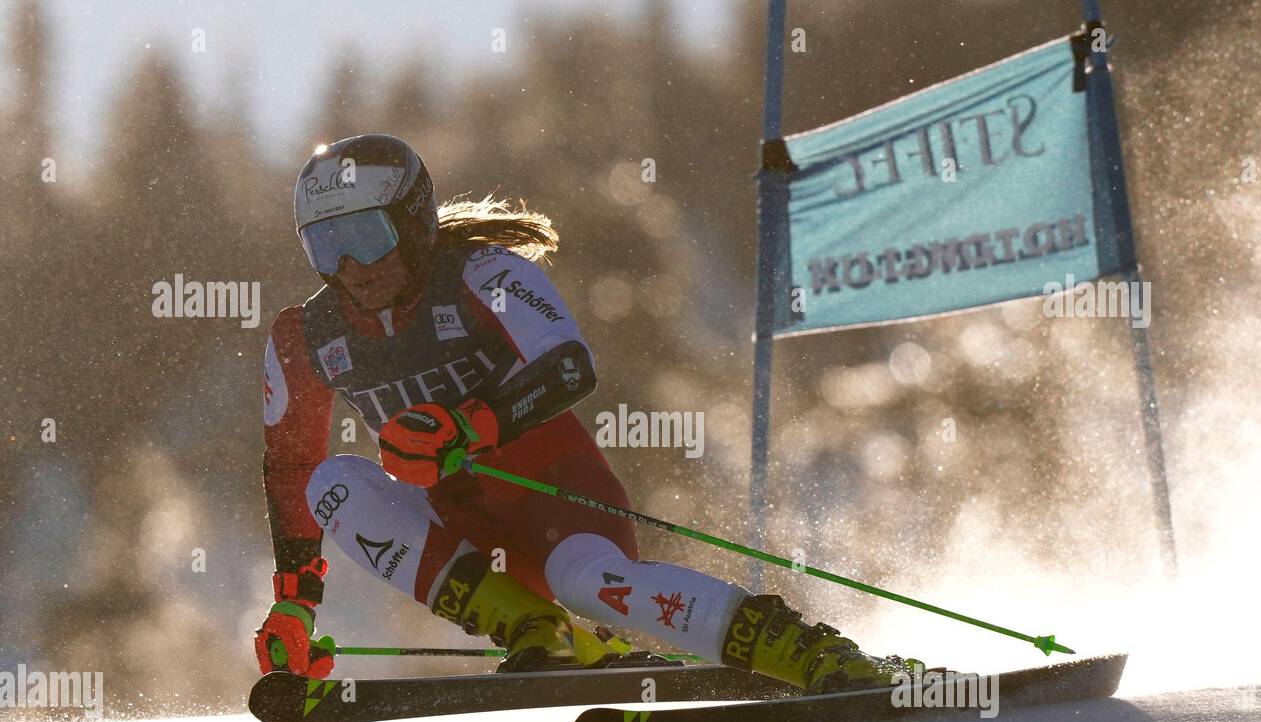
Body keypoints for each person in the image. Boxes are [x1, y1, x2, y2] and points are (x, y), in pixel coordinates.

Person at [255, 133, 915, 691]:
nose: (351, 267)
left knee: (591, 584)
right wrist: (295, 602)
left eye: (367, 237)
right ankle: (534, 631)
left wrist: (470, 425)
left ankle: (810, 652)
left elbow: (569, 364)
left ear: (412, 221)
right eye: (325, 246)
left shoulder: (483, 274)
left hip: (555, 497)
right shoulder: (306, 335)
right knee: (332, 483)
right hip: (461, 527)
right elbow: (291, 466)